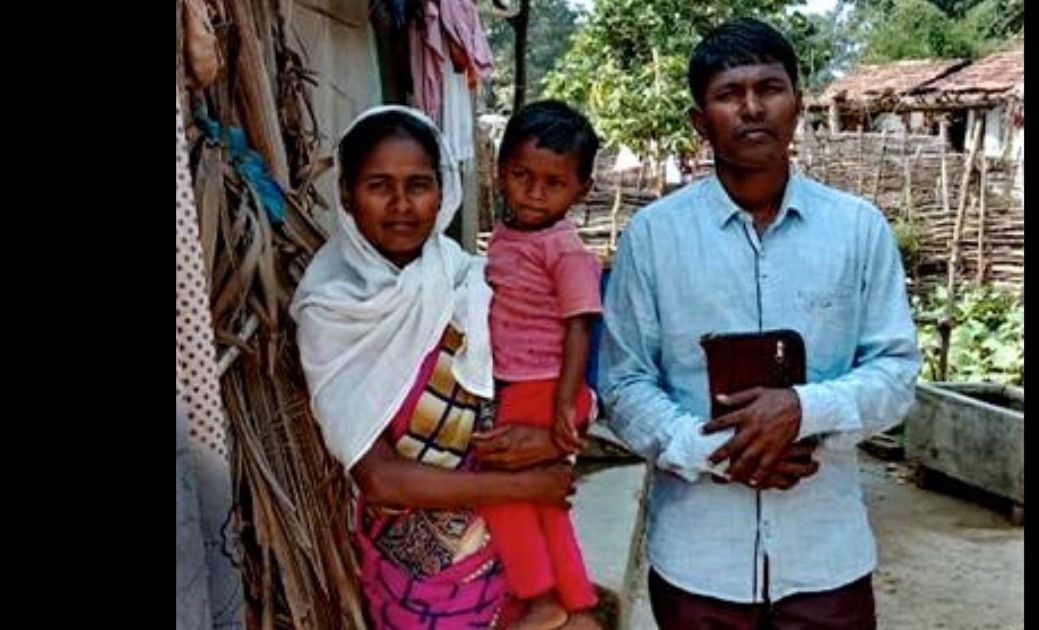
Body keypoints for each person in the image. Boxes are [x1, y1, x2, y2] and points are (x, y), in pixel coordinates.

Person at [598, 17, 921, 629]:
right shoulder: (653, 238)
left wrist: (804, 408)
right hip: (698, 564)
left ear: (797, 104)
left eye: (769, 88)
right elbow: (624, 382)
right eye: (728, 94)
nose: (752, 108)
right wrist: (715, 449)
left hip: (826, 561)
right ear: (700, 121)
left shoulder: (857, 230)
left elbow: (897, 373)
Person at [292, 105, 579, 629]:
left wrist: (558, 440)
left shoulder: (473, 281)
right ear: (349, 197)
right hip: (416, 574)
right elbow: (378, 477)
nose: (402, 205)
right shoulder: (331, 309)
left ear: (443, 192)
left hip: (519, 555)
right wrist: (525, 486)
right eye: (380, 185)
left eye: (419, 184)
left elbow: (549, 374)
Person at [481, 100, 604, 630]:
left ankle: (538, 598)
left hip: (546, 384)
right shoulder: (508, 235)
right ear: (500, 168)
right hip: (524, 383)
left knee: (499, 487)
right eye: (522, 176)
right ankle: (575, 602)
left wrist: (562, 404)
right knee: (543, 501)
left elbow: (581, 324)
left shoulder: (565, 248)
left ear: (582, 189)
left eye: (553, 183)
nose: (534, 192)